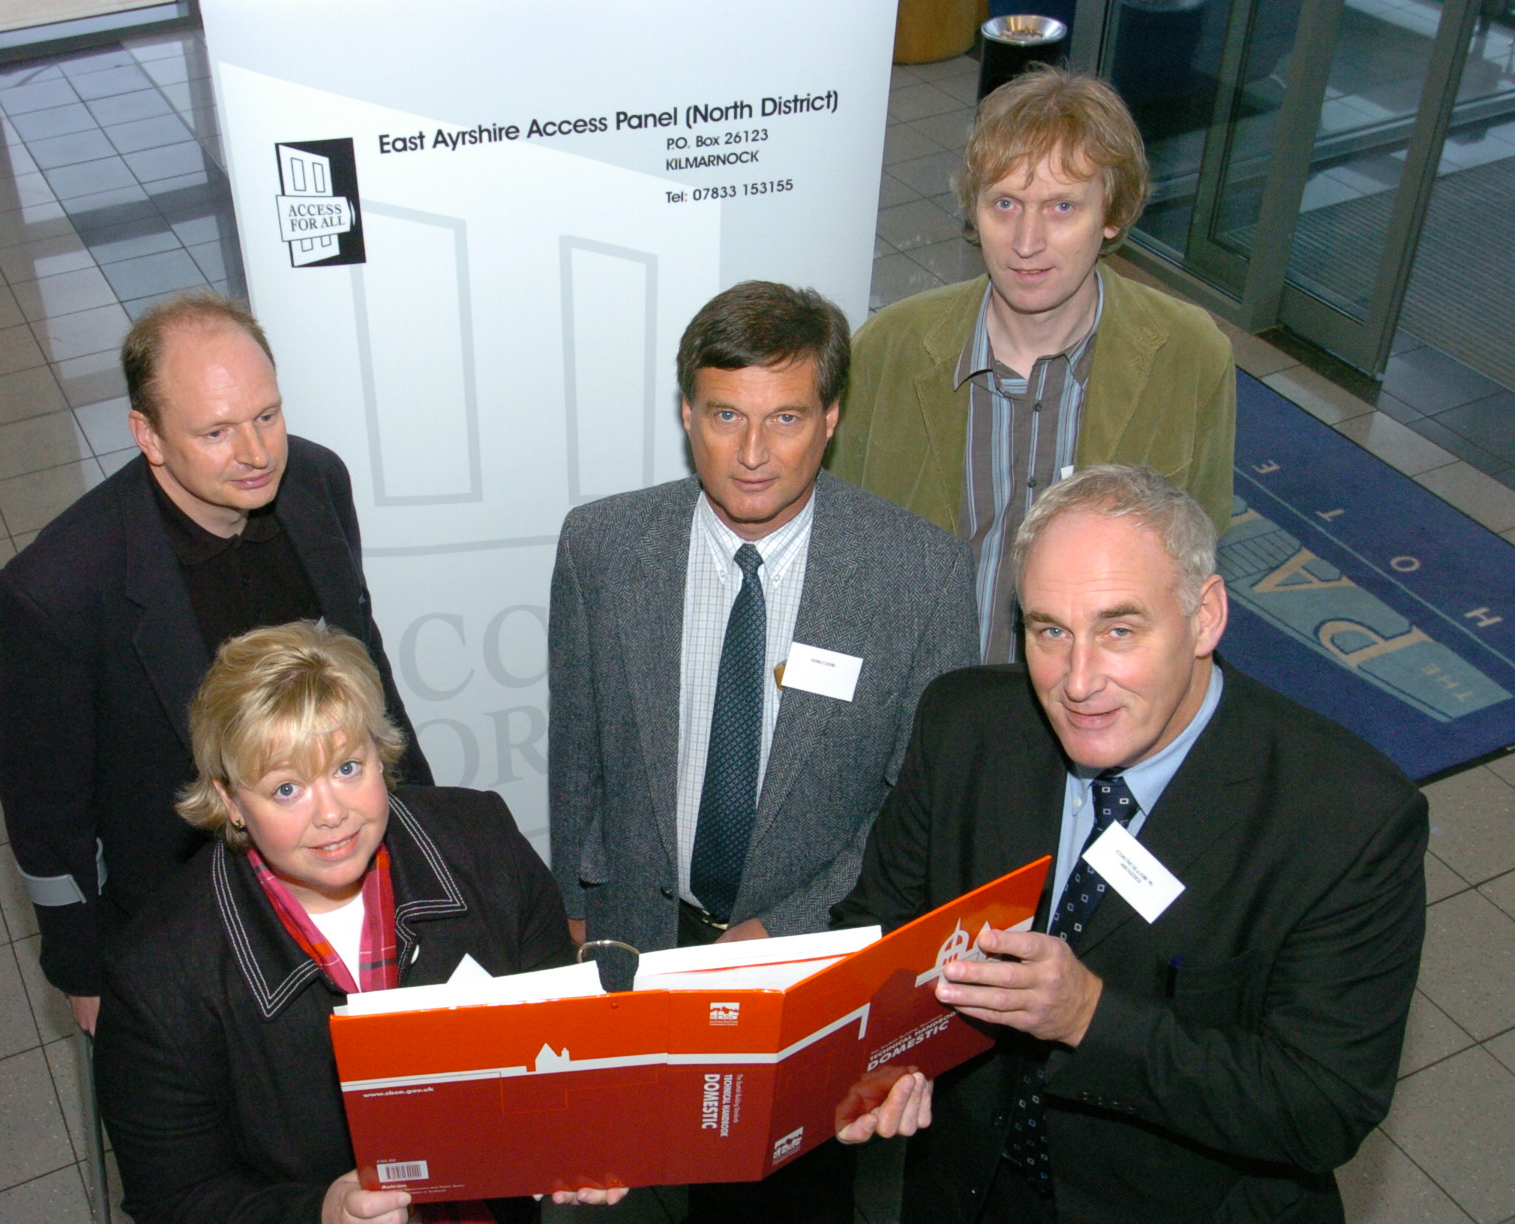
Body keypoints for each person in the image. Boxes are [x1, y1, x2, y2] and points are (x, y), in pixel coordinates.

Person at [834, 465, 1427, 1223]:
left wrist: (1090, 1017)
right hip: (965, 1191)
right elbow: (878, 925)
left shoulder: (1347, 820)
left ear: (1206, 616)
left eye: (1119, 630)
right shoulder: (965, 728)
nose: (1078, 681)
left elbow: (1322, 1106)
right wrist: (885, 1054)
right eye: (1049, 630)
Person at [548, 280, 977, 1222]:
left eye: (784, 417)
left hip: (809, 967)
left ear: (830, 418)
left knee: (786, 1202)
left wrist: (786, 929)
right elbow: (577, 746)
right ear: (686, 416)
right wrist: (577, 917)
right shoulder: (603, 547)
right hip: (634, 952)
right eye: (724, 416)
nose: (751, 453)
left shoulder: (921, 576)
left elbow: (917, 809)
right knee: (626, 1192)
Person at [0, 292, 431, 1036]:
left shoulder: (318, 482)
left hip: (340, 876)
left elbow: (370, 681)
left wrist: (424, 831)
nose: (258, 454)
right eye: (217, 432)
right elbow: (47, 816)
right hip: (189, 911)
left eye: (267, 415)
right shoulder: (58, 591)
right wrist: (82, 971)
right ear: (149, 436)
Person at [94, 621, 620, 1223]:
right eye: (286, 788)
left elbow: (564, 1034)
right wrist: (319, 1213)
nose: (332, 814)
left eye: (347, 768)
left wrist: (581, 1132)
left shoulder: (483, 842)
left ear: (380, 752)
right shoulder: (157, 979)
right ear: (231, 801)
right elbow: (174, 1201)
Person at [828, 66, 1235, 664]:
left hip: (1093, 699)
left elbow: (1197, 553)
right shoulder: (887, 350)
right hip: (927, 696)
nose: (1026, 241)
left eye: (1062, 207)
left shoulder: (1190, 355)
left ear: (1113, 213)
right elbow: (841, 550)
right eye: (1005, 204)